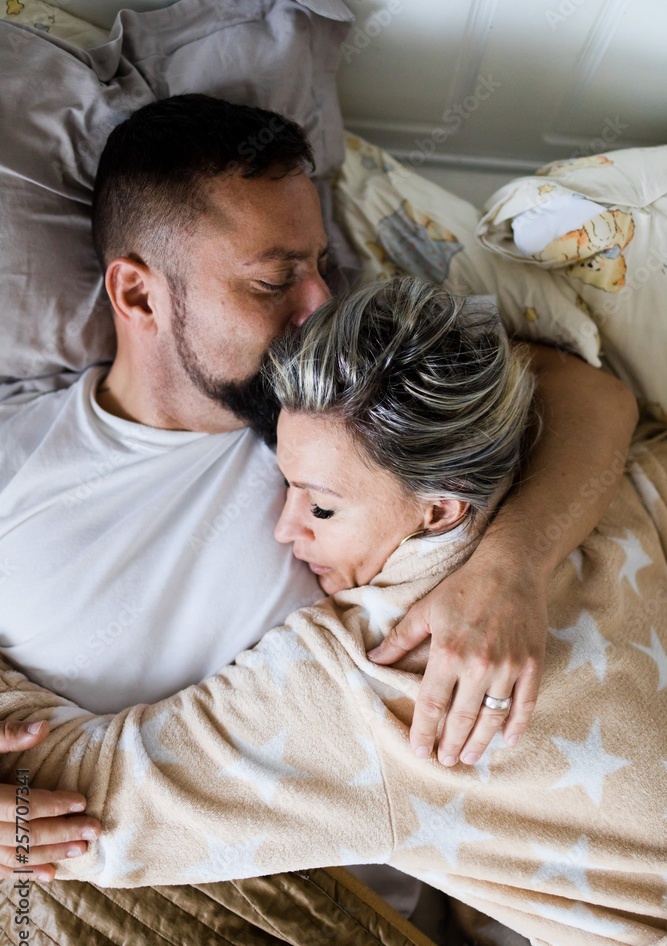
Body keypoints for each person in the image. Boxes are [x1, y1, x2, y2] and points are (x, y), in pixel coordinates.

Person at [0, 94, 638, 884]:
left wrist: (510, 567)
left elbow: (593, 397)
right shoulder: (18, 459)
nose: (317, 305)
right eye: (273, 282)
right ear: (138, 296)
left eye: (319, 265)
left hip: (374, 893)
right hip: (91, 868)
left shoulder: (353, 390)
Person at [2, 278, 664, 946]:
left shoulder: (369, 682)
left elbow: (65, 811)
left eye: (321, 505)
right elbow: (573, 382)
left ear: (438, 511)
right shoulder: (625, 474)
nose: (286, 529)